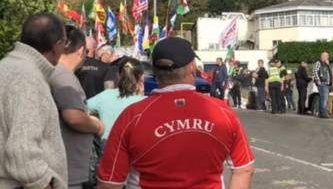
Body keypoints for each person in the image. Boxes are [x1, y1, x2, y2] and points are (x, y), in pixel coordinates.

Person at [97, 37, 255, 189]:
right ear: (192, 68)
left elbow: (109, 183)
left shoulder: (132, 116)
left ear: (154, 72)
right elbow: (244, 169)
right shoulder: (222, 111)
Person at [0, 12, 68, 189]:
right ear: (57, 45)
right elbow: (22, 153)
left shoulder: (7, 67)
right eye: (65, 43)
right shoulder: (27, 77)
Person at [49, 25, 105, 189]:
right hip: (67, 172)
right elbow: (74, 117)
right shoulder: (64, 76)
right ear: (81, 51)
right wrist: (96, 124)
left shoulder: (52, 71)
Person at [88, 57, 146, 150]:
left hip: (107, 152)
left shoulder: (105, 96)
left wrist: (96, 122)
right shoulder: (146, 102)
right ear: (142, 77)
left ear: (118, 75)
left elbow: (80, 110)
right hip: (133, 155)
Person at [313, 52, 333, 119]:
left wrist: (328, 64)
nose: (328, 57)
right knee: (324, 99)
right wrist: (318, 81)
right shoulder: (318, 63)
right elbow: (315, 71)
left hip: (326, 83)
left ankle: (320, 113)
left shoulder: (326, 64)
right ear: (323, 56)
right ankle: (323, 113)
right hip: (322, 83)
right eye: (327, 56)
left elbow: (330, 71)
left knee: (322, 99)